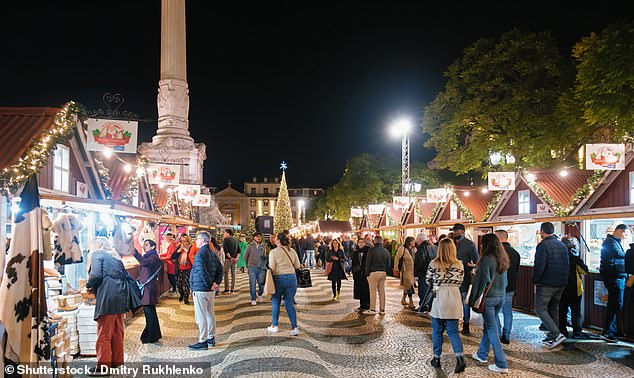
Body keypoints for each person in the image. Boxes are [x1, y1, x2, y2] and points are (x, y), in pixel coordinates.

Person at [85, 237, 131, 373]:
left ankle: (103, 367)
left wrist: (87, 286)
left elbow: (96, 275)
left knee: (104, 333)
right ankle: (117, 363)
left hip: (107, 296)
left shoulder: (97, 254)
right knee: (117, 331)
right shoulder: (115, 257)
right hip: (120, 296)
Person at [468, 233, 509, 374]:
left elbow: (480, 282)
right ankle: (482, 354)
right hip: (500, 297)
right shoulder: (502, 259)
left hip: (489, 299)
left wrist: (472, 300)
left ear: (485, 245)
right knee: (489, 326)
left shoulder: (486, 259)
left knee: (492, 328)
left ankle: (501, 363)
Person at [427, 238, 466, 373]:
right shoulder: (459, 264)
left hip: (440, 298)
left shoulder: (434, 263)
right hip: (454, 298)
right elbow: (461, 281)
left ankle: (437, 358)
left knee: (437, 331)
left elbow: (428, 280)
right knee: (453, 332)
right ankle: (460, 358)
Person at [532, 222, 569, 349]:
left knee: (540, 309)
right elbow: (566, 264)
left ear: (542, 231)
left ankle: (556, 334)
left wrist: (535, 280)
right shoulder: (562, 245)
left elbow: (539, 265)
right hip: (561, 283)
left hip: (547, 283)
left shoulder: (543, 245)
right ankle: (554, 336)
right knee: (553, 309)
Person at [189, 231, 224, 350]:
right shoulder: (212, 253)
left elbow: (201, 271)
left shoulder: (200, 254)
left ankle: (202, 340)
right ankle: (211, 337)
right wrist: (216, 283)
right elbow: (221, 269)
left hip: (201, 288)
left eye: (197, 239)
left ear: (203, 240)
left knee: (201, 315)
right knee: (210, 314)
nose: (196, 241)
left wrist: (210, 284)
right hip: (209, 290)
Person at [267, 232, 301, 336]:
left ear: (278, 240)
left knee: (276, 301)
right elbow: (298, 265)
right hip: (291, 278)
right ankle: (294, 327)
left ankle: (275, 325)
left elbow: (272, 267)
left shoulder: (273, 252)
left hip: (278, 278)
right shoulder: (292, 251)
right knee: (289, 303)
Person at [599, 223, 628, 342]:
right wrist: (630, 254)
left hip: (617, 276)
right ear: (619, 231)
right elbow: (619, 254)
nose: (626, 236)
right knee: (616, 304)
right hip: (614, 277)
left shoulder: (614, 242)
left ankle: (612, 330)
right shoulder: (610, 242)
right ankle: (608, 331)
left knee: (615, 303)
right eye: (625, 233)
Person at [559, 236, 589, 339]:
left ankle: (562, 331)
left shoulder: (558, 258)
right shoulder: (575, 259)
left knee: (562, 311)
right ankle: (577, 332)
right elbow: (584, 271)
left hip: (561, 288)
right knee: (576, 312)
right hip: (575, 289)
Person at [451, 223, 479, 336]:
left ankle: (466, 324)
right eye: (453, 231)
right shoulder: (450, 243)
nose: (454, 233)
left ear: (462, 231)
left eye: (456, 231)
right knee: (452, 300)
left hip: (464, 277)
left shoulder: (469, 244)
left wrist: (469, 266)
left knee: (464, 301)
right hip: (450, 278)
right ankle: (452, 322)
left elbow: (477, 261)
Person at [134, 239, 163, 344]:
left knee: (149, 313)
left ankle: (151, 336)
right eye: (144, 244)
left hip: (149, 289)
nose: (144, 246)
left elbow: (144, 263)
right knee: (150, 313)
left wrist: (134, 252)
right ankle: (153, 334)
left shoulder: (153, 257)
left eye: (146, 245)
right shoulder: (150, 256)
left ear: (153, 247)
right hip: (148, 288)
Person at [495, 230, 520, 345]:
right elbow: (516, 271)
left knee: (494, 312)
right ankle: (506, 335)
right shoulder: (515, 253)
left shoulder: (496, 253)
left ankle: (497, 333)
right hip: (510, 287)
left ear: (499, 237)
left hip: (497, 288)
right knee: (508, 312)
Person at [364, 235, 391, 316]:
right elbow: (389, 264)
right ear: (381, 241)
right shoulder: (386, 251)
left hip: (373, 272)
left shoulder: (371, 250)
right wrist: (386, 271)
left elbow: (368, 263)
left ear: (374, 241)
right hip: (383, 273)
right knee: (382, 291)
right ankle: (382, 309)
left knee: (372, 292)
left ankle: (372, 309)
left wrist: (367, 273)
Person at [414, 233, 436, 312]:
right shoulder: (434, 247)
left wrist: (416, 272)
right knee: (430, 291)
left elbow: (420, 261)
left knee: (423, 291)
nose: (416, 241)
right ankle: (429, 306)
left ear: (420, 239)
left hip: (423, 273)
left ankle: (423, 307)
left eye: (417, 240)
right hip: (433, 273)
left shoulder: (422, 248)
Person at [172, 234, 196, 305]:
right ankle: (181, 294)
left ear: (188, 242)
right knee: (179, 284)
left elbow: (193, 257)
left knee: (186, 284)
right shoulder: (179, 247)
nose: (182, 243)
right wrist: (178, 251)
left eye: (184, 241)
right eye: (181, 241)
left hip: (188, 268)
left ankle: (186, 298)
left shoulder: (191, 248)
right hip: (179, 268)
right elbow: (172, 257)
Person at [244, 232, 266, 305]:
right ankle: (253, 298)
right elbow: (245, 256)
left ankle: (260, 294)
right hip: (252, 267)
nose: (259, 238)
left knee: (261, 283)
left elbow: (264, 257)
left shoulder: (263, 246)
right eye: (257, 236)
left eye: (260, 236)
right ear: (254, 238)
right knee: (252, 283)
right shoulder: (250, 245)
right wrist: (248, 265)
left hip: (260, 268)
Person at [394, 236, 416, 309]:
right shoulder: (402, 249)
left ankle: (403, 299)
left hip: (412, 271)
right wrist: (396, 268)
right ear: (409, 242)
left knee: (408, 285)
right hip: (406, 270)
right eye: (413, 241)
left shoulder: (414, 249)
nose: (414, 242)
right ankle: (411, 301)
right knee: (409, 285)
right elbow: (397, 258)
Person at [351, 238, 370, 311]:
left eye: (362, 242)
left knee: (366, 288)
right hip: (358, 273)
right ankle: (362, 304)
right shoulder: (356, 252)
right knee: (360, 289)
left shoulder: (368, 251)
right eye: (360, 242)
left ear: (365, 243)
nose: (361, 244)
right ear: (358, 243)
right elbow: (354, 263)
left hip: (366, 273)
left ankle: (368, 303)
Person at [222, 228, 240, 294]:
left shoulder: (226, 240)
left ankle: (227, 289)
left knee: (226, 273)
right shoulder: (236, 240)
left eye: (224, 233)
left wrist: (230, 258)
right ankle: (232, 289)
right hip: (235, 259)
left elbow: (225, 250)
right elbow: (239, 251)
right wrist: (236, 258)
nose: (224, 234)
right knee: (233, 274)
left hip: (228, 259)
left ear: (227, 233)